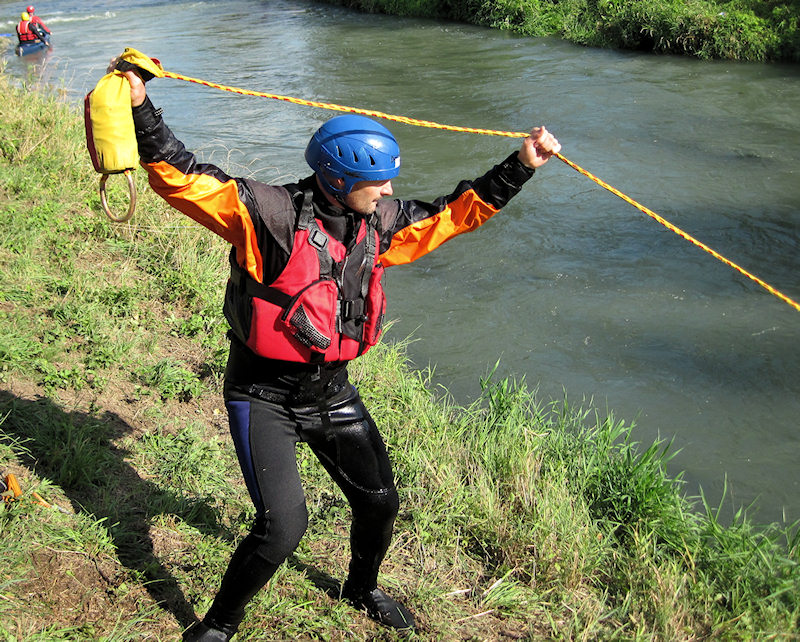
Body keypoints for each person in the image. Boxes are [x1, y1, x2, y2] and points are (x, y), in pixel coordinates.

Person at [114, 59, 560, 641]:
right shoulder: (265, 216)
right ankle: (217, 626)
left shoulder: (381, 224)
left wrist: (522, 164)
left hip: (331, 392)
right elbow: (181, 175)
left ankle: (361, 586)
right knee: (283, 526)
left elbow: (455, 213)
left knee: (379, 501)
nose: (391, 191)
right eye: (380, 182)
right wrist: (140, 105)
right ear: (339, 181)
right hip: (263, 395)